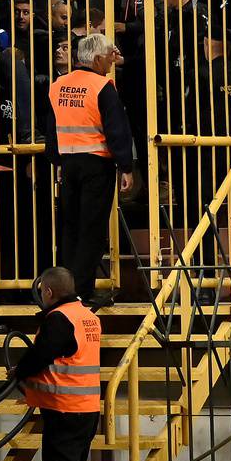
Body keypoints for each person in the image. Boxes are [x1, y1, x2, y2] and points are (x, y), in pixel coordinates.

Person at [12, 266, 102, 461]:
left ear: (48, 292)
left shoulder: (59, 319)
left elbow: (43, 353)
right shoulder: (87, 316)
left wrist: (19, 372)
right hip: (86, 410)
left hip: (63, 411)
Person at [49, 34, 136, 308]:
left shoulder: (58, 85)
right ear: (97, 59)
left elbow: (51, 130)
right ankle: (82, 293)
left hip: (69, 165)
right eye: (110, 54)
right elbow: (116, 130)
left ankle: (63, 291)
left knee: (70, 229)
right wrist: (126, 166)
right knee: (92, 230)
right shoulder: (102, 87)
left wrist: (58, 162)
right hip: (96, 165)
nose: (113, 59)